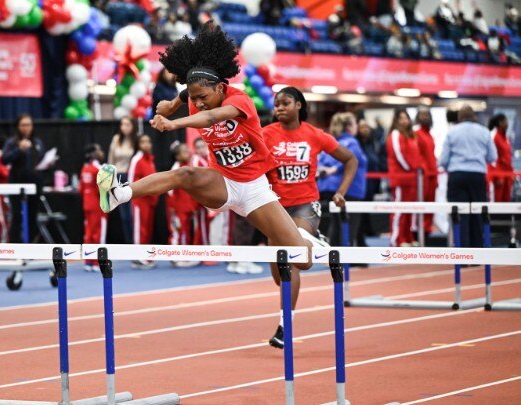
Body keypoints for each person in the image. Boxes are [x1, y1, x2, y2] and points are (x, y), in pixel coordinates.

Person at [98, 23, 320, 302]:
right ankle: (119, 194)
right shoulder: (195, 97)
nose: (199, 103)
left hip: (255, 189)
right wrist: (172, 103)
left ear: (220, 87)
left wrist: (173, 121)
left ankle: (307, 238)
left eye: (203, 97)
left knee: (302, 260)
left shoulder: (240, 101)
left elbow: (212, 117)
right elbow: (188, 93)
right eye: (194, 98)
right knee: (185, 174)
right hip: (223, 182)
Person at [264, 89, 358, 348]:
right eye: (276, 104)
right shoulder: (266, 134)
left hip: (306, 205)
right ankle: (313, 241)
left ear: (298, 105)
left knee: (292, 262)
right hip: (274, 207)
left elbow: (350, 160)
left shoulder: (314, 134)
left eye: (285, 103)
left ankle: (284, 327)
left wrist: (341, 192)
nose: (279, 108)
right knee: (280, 274)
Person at [439, 105, 497, 247]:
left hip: (457, 176)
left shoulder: (452, 133)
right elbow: (492, 156)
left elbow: (443, 160)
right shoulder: (484, 132)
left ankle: (462, 252)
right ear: (474, 117)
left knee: (459, 215)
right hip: (477, 176)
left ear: (459, 117)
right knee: (478, 214)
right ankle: (477, 251)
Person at [318, 112, 366, 249]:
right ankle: (345, 257)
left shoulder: (333, 142)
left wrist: (326, 170)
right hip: (349, 189)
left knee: (335, 226)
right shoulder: (352, 142)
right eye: (355, 123)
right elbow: (351, 160)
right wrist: (334, 169)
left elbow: (320, 162)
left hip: (328, 188)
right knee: (349, 228)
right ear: (349, 126)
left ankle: (331, 256)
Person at [1, 113, 46, 243]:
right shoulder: (12, 142)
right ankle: (15, 245)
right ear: (18, 126)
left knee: (32, 216)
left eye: (29, 125)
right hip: (17, 183)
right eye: (23, 125)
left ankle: (30, 245)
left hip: (35, 184)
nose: (26, 128)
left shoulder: (37, 142)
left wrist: (47, 164)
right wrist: (19, 150)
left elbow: (42, 160)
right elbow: (4, 160)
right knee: (17, 216)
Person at [387, 108, 421, 247]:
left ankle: (408, 237)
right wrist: (410, 167)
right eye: (401, 118)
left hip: (412, 178)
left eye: (406, 117)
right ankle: (397, 239)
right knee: (399, 210)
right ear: (396, 120)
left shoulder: (411, 136)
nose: (404, 121)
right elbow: (398, 154)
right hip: (400, 179)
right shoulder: (395, 134)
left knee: (409, 210)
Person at [128, 134, 159, 269]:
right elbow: (130, 181)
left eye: (148, 142)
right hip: (140, 201)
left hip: (150, 200)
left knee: (147, 229)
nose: (146, 144)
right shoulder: (137, 159)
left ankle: (145, 256)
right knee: (140, 229)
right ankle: (138, 257)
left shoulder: (150, 159)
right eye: (143, 142)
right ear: (138, 145)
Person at [167, 142, 200, 268]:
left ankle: (185, 255)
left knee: (186, 232)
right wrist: (172, 208)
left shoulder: (191, 166)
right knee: (177, 232)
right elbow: (170, 191)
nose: (188, 152)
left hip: (188, 206)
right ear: (178, 156)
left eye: (188, 149)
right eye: (184, 151)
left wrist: (194, 205)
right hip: (178, 207)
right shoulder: (176, 169)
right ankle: (174, 256)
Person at [108, 116, 137, 244]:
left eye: (127, 125)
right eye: (122, 125)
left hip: (131, 176)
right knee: (124, 214)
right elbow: (111, 160)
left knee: (132, 213)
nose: (124, 127)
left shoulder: (136, 140)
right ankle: (128, 242)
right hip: (118, 176)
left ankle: (136, 241)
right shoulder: (116, 139)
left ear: (133, 126)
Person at [80, 144, 107, 272]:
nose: (101, 152)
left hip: (87, 203)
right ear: (93, 154)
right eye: (99, 150)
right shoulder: (99, 169)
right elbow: (102, 190)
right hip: (98, 205)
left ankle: (88, 261)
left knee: (89, 232)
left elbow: (81, 189)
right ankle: (98, 262)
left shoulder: (85, 168)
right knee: (98, 233)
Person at [414, 108, 438, 235]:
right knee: (421, 203)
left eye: (426, 114)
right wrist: (423, 169)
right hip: (423, 176)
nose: (424, 117)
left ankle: (427, 229)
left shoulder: (430, 135)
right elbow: (417, 154)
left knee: (431, 203)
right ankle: (419, 230)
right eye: (422, 115)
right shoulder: (416, 134)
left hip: (433, 174)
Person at [488, 114, 513, 202]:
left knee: (507, 201)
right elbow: (492, 158)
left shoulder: (506, 138)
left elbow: (508, 157)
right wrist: (498, 175)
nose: (507, 123)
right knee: (497, 201)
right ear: (500, 123)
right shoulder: (493, 135)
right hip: (498, 176)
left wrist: (511, 173)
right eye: (506, 121)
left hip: (507, 175)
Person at [191, 137, 211, 245]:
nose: (201, 149)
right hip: (202, 199)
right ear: (195, 149)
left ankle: (206, 246)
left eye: (203, 146)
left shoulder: (209, 157)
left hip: (210, 196)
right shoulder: (196, 160)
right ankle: (204, 248)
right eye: (198, 148)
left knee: (206, 225)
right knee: (202, 224)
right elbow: (196, 182)